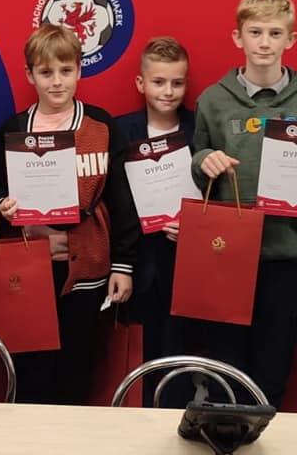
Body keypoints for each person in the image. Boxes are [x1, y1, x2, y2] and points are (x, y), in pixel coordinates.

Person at [190, 0, 297, 407]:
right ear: (238, 37)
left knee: (274, 355)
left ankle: (262, 424)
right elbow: (196, 160)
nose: (264, 43)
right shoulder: (213, 100)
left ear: (291, 40)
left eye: (275, 33)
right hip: (227, 249)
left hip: (287, 249)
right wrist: (204, 160)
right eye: (255, 32)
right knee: (225, 354)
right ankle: (222, 425)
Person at [0, 23, 138, 405]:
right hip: (30, 272)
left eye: (66, 70)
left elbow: (122, 200)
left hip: (87, 269)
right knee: (30, 375)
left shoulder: (101, 127)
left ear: (79, 70)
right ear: (30, 75)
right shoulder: (14, 129)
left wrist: (123, 265)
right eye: (46, 72)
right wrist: (1, 205)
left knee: (77, 372)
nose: (56, 82)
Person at [114, 36, 197, 407]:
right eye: (159, 82)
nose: (168, 91)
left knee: (183, 353)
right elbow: (114, 199)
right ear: (141, 83)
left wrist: (197, 226)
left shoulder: (199, 128)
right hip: (138, 262)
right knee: (140, 356)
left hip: (187, 262)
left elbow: (216, 195)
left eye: (177, 83)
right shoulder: (121, 131)